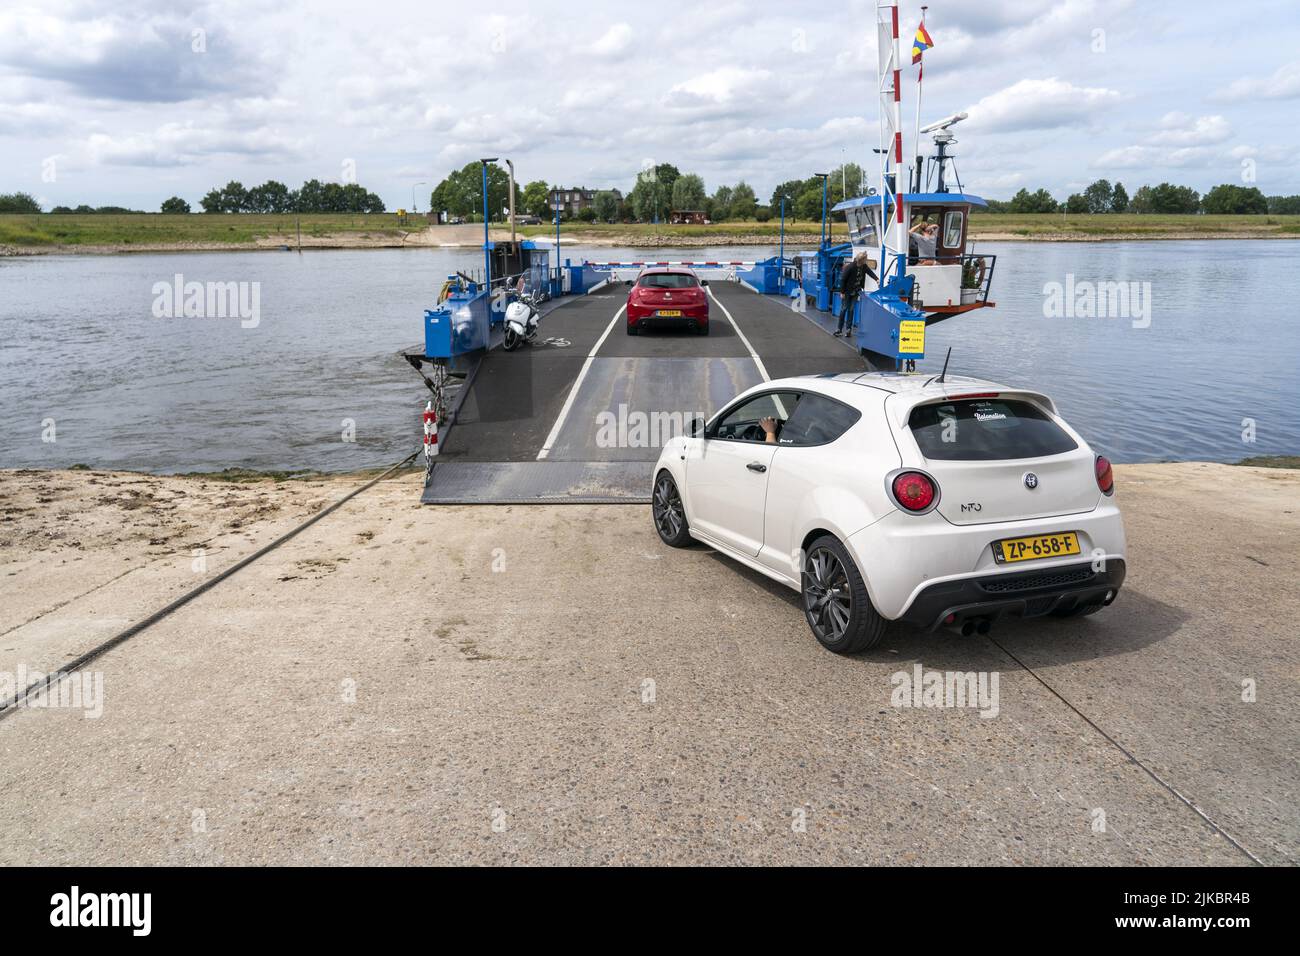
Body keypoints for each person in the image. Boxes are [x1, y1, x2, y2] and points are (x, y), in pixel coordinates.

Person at [834, 254, 864, 336]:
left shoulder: (862, 266)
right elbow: (843, 279)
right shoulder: (851, 267)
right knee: (844, 309)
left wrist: (876, 279)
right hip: (847, 292)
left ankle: (848, 329)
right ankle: (839, 329)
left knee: (851, 310)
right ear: (860, 260)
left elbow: (869, 271)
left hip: (855, 292)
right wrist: (842, 292)